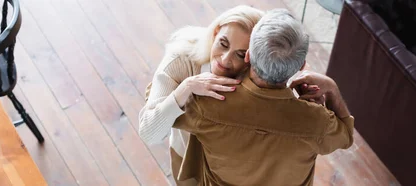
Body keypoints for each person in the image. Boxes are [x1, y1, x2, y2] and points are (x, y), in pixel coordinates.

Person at [173, 9, 354, 186]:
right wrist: (331, 87)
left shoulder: (205, 103)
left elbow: (163, 112)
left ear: (249, 56)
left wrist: (186, 85)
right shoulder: (317, 122)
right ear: (301, 67)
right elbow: (346, 135)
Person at [138, 5, 265, 185]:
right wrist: (186, 87)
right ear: (215, 32)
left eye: (240, 54)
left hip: (234, 172)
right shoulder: (182, 57)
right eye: (223, 44)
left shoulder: (260, 78)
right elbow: (149, 133)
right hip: (186, 161)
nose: (225, 60)